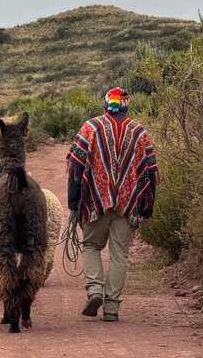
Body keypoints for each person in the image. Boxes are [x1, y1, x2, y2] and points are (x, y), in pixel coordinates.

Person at [66, 87, 159, 322]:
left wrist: (73, 203)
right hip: (127, 205)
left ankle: (95, 291)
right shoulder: (140, 132)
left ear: (106, 104)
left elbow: (76, 168)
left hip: (95, 203)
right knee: (120, 255)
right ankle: (111, 308)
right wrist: (147, 208)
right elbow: (150, 173)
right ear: (126, 106)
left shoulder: (90, 127)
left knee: (91, 246)